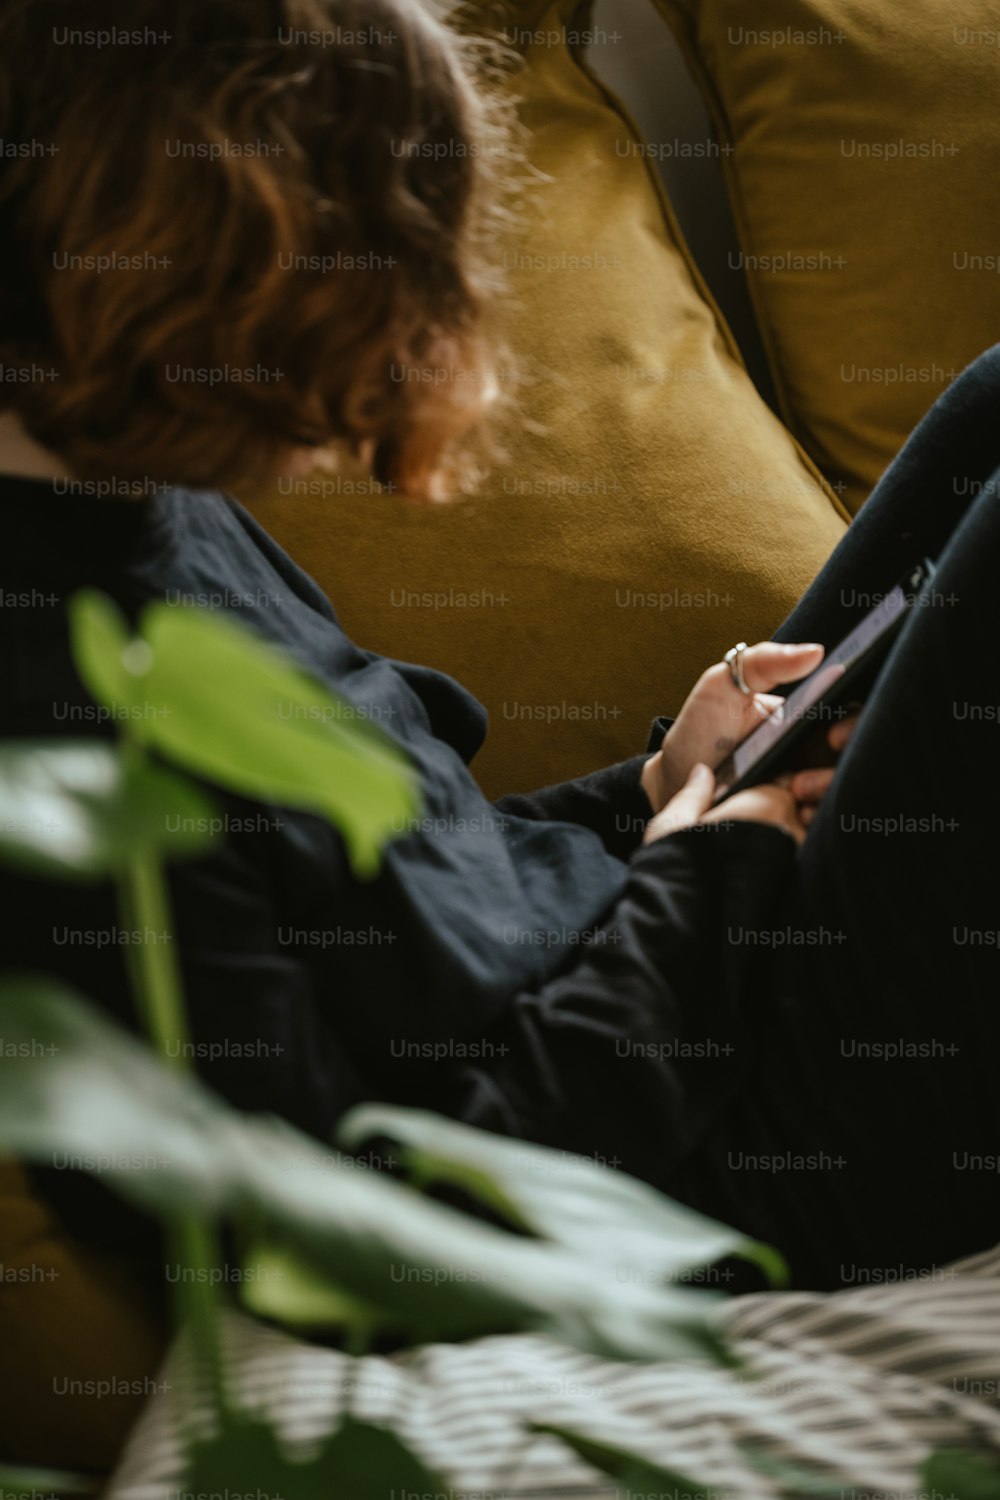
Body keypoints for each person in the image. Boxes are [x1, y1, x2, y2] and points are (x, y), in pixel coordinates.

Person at [0, 0, 996, 1295]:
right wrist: (702, 884)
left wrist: (650, 797)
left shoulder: (139, 493)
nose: (403, 370)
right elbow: (384, 1219)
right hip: (707, 1170)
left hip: (671, 980)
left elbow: (426, 901)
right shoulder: (49, 744)